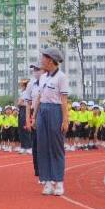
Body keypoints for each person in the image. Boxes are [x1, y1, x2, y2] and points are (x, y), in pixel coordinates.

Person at [32, 47, 69, 196]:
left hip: (55, 111)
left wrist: (65, 120)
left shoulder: (61, 77)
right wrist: (34, 116)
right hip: (42, 111)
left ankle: (58, 182)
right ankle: (47, 182)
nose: (41, 60)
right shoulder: (42, 77)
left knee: (56, 147)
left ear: (51, 60)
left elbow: (64, 100)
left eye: (43, 57)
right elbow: (39, 97)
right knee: (42, 147)